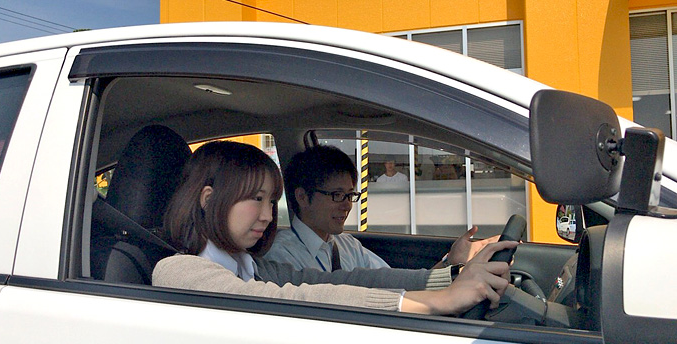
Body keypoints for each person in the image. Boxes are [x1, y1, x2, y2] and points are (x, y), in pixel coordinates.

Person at [152, 140, 518, 315]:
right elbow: (286, 300)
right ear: (208, 198)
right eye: (255, 199)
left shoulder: (252, 265)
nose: (267, 215)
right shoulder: (179, 271)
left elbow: (342, 282)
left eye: (270, 200)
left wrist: (447, 278)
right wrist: (437, 302)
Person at [264, 145, 499, 271]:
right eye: (337, 195)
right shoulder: (280, 257)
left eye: (350, 195)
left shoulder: (348, 246)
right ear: (303, 197)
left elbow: (396, 284)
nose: (347, 205)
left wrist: (450, 262)